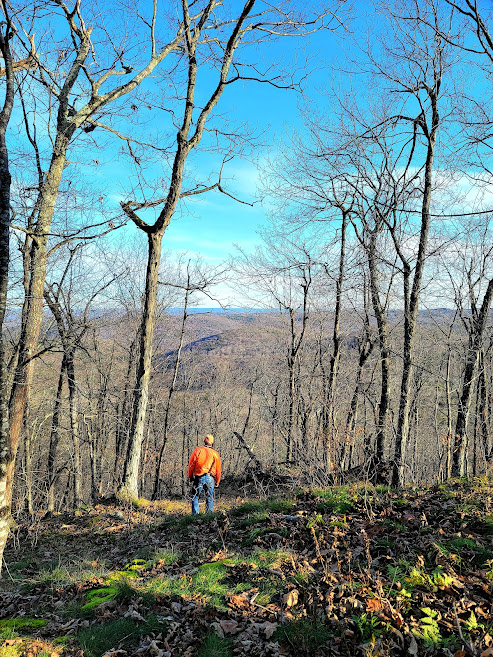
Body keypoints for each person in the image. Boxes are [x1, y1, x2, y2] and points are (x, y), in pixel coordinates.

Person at [188, 434, 221, 514]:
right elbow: (218, 469)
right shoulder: (215, 454)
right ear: (212, 443)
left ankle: (195, 516)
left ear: (204, 441)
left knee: (195, 497)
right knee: (209, 498)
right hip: (210, 478)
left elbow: (191, 464)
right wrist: (217, 480)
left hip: (199, 477)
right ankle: (209, 516)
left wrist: (190, 476)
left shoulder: (198, 450)